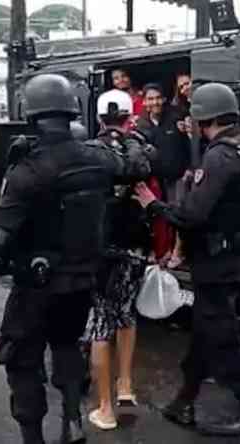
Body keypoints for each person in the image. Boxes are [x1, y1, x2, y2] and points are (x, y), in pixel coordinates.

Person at [0, 74, 154, 444]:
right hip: (81, 282)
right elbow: (138, 166)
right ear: (70, 111)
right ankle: (72, 421)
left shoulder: (30, 170)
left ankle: (33, 436)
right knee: (67, 346)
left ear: (32, 114)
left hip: (36, 286)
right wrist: (128, 137)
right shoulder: (98, 157)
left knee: (20, 359)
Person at [134, 82, 240, 436]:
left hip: (218, 263)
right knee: (205, 334)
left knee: (222, 338)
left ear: (203, 118)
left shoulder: (220, 155)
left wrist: (153, 204)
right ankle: (184, 400)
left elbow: (193, 215)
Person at [84, 89, 154, 431]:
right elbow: (157, 163)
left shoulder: (87, 152)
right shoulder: (139, 147)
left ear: (98, 119)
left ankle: (105, 408)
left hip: (101, 247)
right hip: (136, 245)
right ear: (129, 117)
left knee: (100, 322)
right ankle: (126, 386)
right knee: (127, 312)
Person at [136, 83, 191, 267]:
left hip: (178, 175)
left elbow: (190, 144)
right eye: (150, 99)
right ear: (144, 102)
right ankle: (161, 250)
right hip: (155, 179)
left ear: (164, 99)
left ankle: (178, 250)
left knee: (177, 213)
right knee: (155, 215)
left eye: (158, 97)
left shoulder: (177, 117)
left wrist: (189, 169)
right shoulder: (141, 123)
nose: (155, 102)